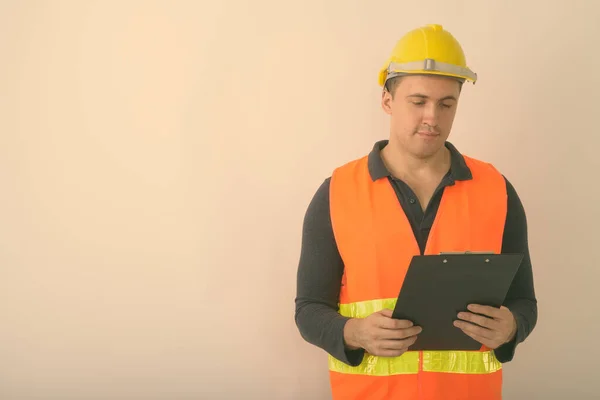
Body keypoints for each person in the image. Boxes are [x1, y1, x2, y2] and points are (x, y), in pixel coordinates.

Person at [294, 24, 537, 400]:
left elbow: (524, 303)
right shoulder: (337, 192)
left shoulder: (497, 190)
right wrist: (353, 332)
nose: (432, 118)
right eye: (418, 100)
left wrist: (512, 327)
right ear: (388, 100)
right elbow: (309, 309)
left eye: (446, 104)